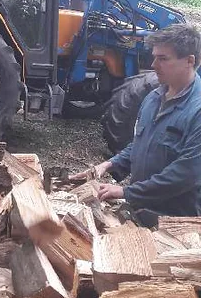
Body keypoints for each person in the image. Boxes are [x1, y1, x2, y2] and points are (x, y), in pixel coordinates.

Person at [70, 24, 201, 217]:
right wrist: (110, 164)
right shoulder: (154, 97)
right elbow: (142, 142)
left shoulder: (196, 110)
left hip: (175, 220)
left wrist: (125, 192)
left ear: (189, 61)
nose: (154, 65)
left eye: (163, 59)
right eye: (154, 57)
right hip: (141, 210)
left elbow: (186, 174)